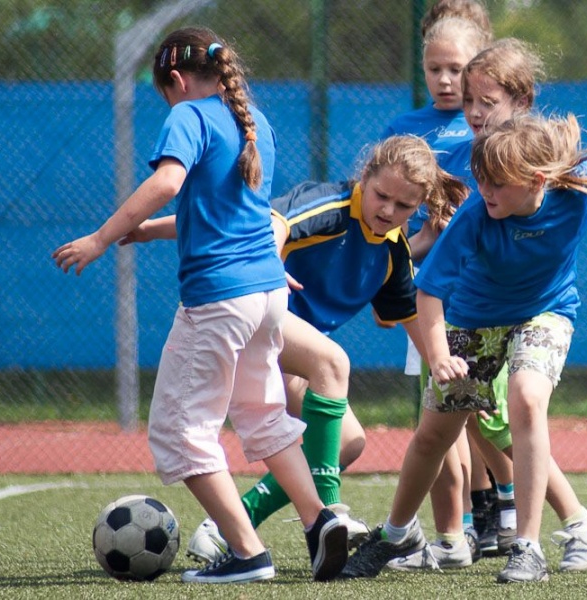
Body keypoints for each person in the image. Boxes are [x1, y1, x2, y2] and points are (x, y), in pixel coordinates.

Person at [52, 27, 348, 584]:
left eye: (164, 90)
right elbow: (231, 214)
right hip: (267, 295)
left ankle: (247, 554)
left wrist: (99, 238)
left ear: (177, 79)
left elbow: (168, 182)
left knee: (179, 431)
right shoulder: (252, 121)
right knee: (263, 417)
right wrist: (143, 233)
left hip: (220, 299)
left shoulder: (188, 114)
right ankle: (319, 522)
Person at [340, 112, 587, 584]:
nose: (484, 191)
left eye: (495, 184)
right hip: (473, 319)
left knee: (526, 397)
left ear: (535, 181)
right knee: (433, 436)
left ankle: (526, 547)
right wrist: (440, 353)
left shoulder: (578, 191)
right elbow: (428, 293)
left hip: (545, 312)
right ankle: (396, 532)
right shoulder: (475, 217)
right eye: (481, 179)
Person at [122, 135, 469, 564]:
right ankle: (328, 514)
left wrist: (448, 369)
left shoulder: (394, 251)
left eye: (403, 207)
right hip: (245, 305)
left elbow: (413, 319)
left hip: (283, 346)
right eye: (381, 196)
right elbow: (270, 224)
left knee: (349, 442)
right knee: (332, 361)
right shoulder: (329, 204)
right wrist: (270, 263)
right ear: (365, 177)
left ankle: (229, 527)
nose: (388, 211)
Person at [445, 38, 587, 573]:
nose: (473, 110)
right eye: (467, 98)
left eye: (485, 100)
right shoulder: (460, 155)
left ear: (521, 103)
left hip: (527, 315)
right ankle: (514, 521)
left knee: (516, 408)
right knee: (476, 420)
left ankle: (525, 533)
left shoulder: (552, 175)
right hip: (465, 309)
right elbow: (442, 234)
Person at [380, 14, 491, 572]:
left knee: (489, 417)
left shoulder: (492, 127)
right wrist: (419, 243)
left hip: (491, 294)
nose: (446, 80)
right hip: (435, 295)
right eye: (435, 69)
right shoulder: (407, 129)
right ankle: (458, 534)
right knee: (440, 415)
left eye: (458, 69)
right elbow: (395, 223)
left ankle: (503, 518)